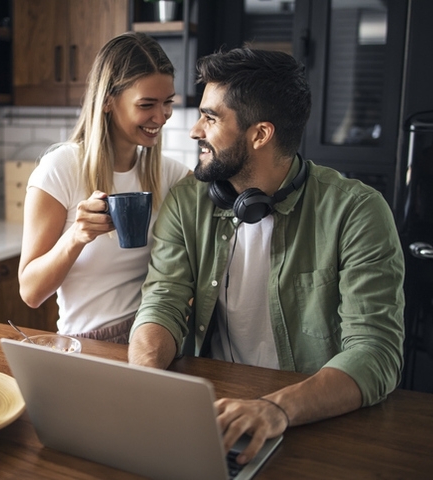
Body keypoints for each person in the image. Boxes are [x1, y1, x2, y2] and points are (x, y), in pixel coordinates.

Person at [128, 48, 405, 465]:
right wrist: (144, 380)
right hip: (214, 411)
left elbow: (375, 351)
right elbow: (162, 301)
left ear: (260, 135)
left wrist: (277, 408)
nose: (193, 130)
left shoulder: (357, 211)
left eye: (211, 117)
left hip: (312, 416)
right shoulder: (189, 201)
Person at [18, 32, 190, 343]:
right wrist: (76, 237)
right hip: (86, 342)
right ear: (108, 101)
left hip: (153, 336)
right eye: (147, 104)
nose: (161, 116)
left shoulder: (171, 174)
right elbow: (31, 292)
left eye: (167, 103)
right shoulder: (61, 169)